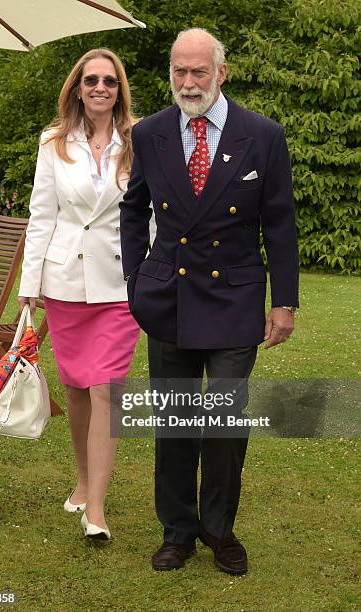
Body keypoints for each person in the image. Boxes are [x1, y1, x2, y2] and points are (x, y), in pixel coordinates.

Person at [120, 28, 299, 573]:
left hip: (235, 300)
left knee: (223, 423)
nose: (188, 82)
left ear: (221, 73)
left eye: (198, 71)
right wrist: (136, 280)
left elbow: (280, 223)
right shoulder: (149, 133)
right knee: (174, 421)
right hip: (169, 298)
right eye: (179, 71)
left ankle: (219, 529)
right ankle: (177, 531)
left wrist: (284, 301)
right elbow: (133, 210)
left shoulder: (262, 134)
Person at [18, 48, 141, 540]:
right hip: (64, 282)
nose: (99, 88)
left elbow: (149, 215)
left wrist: (154, 274)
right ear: (77, 87)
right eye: (91, 80)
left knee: (107, 389)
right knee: (76, 389)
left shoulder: (138, 142)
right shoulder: (53, 143)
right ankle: (83, 480)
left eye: (109, 81)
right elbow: (41, 215)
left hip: (119, 286)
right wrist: (29, 287)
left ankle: (97, 510)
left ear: (119, 90)